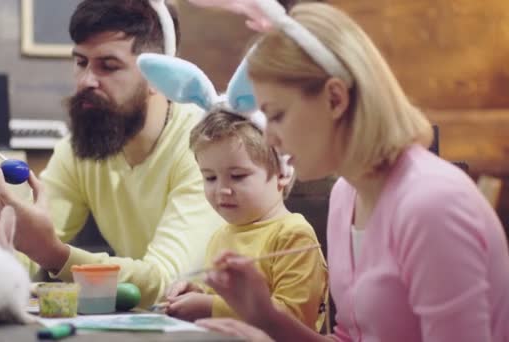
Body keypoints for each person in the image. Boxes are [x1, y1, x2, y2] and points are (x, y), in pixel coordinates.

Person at [186, 1, 509, 341]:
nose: (270, 138)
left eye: (277, 115)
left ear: (335, 99)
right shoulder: (346, 196)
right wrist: (266, 318)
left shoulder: (432, 206)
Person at [0, 0, 223, 307]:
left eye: (108, 66)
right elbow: (19, 261)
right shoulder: (81, 148)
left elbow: (166, 282)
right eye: (81, 62)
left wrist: (53, 253)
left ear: (160, 76)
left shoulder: (207, 146)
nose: (87, 80)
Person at [162, 110, 328, 329]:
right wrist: (197, 294)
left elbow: (295, 318)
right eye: (210, 177)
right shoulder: (221, 236)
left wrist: (210, 306)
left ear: (282, 173)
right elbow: (224, 302)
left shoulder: (293, 235)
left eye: (238, 176)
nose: (222, 190)